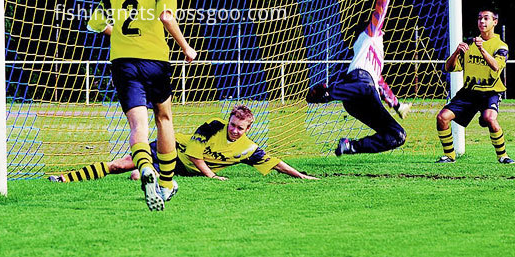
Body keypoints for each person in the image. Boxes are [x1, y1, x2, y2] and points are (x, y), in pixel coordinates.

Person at [87, 0, 197, 211]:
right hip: (155, 61)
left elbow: (96, 24)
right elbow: (167, 17)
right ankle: (167, 183)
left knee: (138, 125)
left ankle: (146, 166)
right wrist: (186, 47)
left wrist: (122, 37)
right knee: (164, 118)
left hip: (123, 63)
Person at [306, 0, 411, 156]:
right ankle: (328, 92)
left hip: (361, 97)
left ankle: (351, 146)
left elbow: (380, 83)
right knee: (364, 85)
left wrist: (397, 105)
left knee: (397, 135)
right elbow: (381, 8)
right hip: (358, 85)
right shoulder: (370, 35)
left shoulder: (376, 57)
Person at [48, 105, 319, 184]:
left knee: (136, 174)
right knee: (122, 165)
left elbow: (275, 163)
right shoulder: (213, 127)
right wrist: (213, 176)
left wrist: (302, 175)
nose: (234, 130)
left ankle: (147, 176)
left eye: (240, 128)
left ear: (248, 129)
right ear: (229, 121)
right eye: (233, 124)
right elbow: (197, 157)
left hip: (180, 169)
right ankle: (63, 178)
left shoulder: (247, 148)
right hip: (172, 149)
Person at [435, 9, 514, 164]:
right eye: (479, 18)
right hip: (469, 93)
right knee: (442, 118)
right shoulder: (470, 44)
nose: (482, 22)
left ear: (495, 22)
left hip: (490, 92)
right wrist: (457, 52)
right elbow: (449, 68)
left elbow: (496, 66)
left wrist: (482, 50)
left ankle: (503, 156)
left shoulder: (501, 46)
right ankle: (449, 156)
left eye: (486, 18)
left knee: (489, 119)